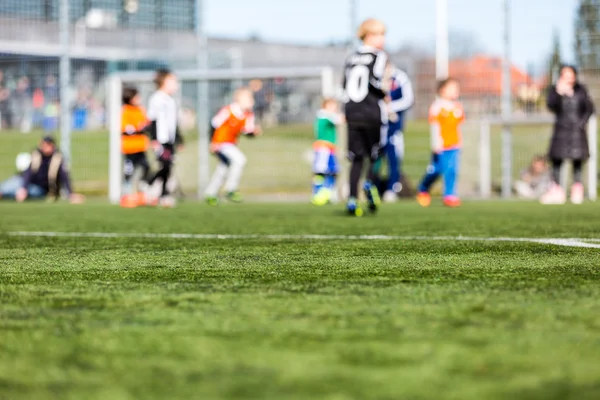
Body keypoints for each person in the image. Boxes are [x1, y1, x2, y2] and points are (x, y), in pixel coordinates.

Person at [343, 18, 389, 216]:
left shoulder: (351, 58)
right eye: (380, 35)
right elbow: (375, 82)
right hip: (371, 112)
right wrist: (384, 95)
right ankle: (370, 183)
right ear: (369, 36)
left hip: (352, 112)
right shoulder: (378, 56)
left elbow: (344, 85)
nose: (383, 39)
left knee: (356, 159)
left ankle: (352, 199)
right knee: (376, 153)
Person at [540, 65, 595, 205]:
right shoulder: (556, 90)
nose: (568, 78)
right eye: (565, 75)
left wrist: (581, 123)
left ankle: (577, 190)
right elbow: (551, 105)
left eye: (570, 75)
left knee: (577, 161)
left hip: (577, 132)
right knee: (557, 161)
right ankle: (556, 190)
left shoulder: (580, 90)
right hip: (561, 131)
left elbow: (589, 109)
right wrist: (559, 93)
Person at [204, 87, 261, 205]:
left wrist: (254, 132)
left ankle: (210, 193)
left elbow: (247, 131)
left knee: (223, 168)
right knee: (240, 160)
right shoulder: (228, 111)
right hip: (220, 143)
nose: (252, 102)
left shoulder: (248, 115)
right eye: (249, 99)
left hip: (230, 144)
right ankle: (231, 189)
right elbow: (214, 124)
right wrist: (212, 142)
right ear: (238, 100)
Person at [416, 78, 464, 208]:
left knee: (452, 170)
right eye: (452, 88)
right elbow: (435, 126)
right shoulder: (437, 107)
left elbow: (457, 127)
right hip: (441, 146)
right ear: (442, 90)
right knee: (436, 170)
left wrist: (460, 142)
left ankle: (449, 195)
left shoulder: (457, 108)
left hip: (454, 145)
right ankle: (423, 188)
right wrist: (436, 143)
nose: (455, 91)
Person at [0, 136, 84, 203]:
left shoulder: (57, 159)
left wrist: (70, 194)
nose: (45, 147)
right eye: (43, 145)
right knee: (8, 186)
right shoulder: (36, 155)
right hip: (24, 182)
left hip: (40, 188)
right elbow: (28, 173)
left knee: (29, 192)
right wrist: (24, 188)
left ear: (52, 146)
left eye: (48, 145)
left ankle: (7, 195)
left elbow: (64, 177)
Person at [147, 69, 184, 208]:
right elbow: (152, 120)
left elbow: (174, 123)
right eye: (173, 81)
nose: (176, 84)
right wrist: (154, 139)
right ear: (163, 82)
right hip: (160, 140)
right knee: (165, 165)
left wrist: (179, 139)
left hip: (170, 140)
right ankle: (149, 184)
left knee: (168, 167)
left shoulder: (171, 101)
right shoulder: (156, 98)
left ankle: (163, 194)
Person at [382, 67, 415, 202]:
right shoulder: (373, 75)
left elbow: (408, 99)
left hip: (394, 128)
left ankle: (392, 189)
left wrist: (390, 107)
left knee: (394, 159)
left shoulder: (400, 77)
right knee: (374, 159)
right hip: (376, 127)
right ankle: (369, 187)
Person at [120, 86, 151, 208]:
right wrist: (138, 128)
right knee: (129, 171)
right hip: (130, 148)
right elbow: (126, 128)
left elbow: (146, 124)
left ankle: (141, 193)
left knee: (146, 168)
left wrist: (145, 127)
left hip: (141, 147)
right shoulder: (125, 111)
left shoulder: (140, 110)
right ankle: (126, 195)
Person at [311, 98, 344, 206]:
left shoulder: (326, 116)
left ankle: (327, 192)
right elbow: (340, 119)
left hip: (330, 149)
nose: (334, 108)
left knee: (333, 171)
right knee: (321, 171)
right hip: (323, 149)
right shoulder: (325, 115)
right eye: (332, 106)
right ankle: (318, 193)